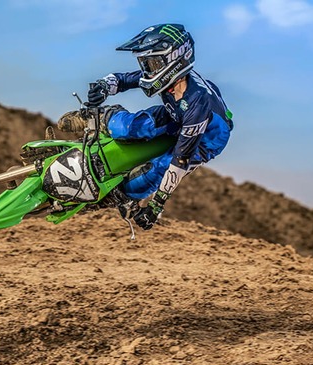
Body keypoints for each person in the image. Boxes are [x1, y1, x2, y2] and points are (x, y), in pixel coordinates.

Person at [57, 23, 233, 230]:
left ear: (174, 59)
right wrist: (103, 86)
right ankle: (99, 117)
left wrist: (156, 205)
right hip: (175, 116)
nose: (147, 70)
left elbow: (180, 162)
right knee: (131, 128)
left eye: (152, 63)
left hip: (208, 139)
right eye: (145, 63)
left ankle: (118, 196)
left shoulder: (197, 102)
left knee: (156, 170)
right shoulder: (171, 78)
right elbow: (125, 79)